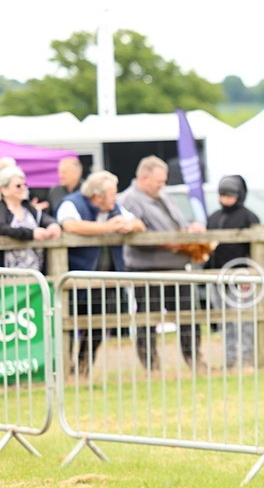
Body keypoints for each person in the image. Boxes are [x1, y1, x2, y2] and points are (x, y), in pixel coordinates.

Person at [118, 155, 209, 371]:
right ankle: (151, 364)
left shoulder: (164, 195)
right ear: (144, 177)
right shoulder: (130, 200)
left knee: (188, 315)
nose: (163, 184)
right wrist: (168, 243)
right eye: (159, 180)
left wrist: (189, 231)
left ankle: (194, 359)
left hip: (176, 265)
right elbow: (136, 236)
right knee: (148, 319)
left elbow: (178, 223)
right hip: (147, 267)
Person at [57, 170, 146, 375]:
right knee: (68, 324)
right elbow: (69, 225)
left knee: (98, 325)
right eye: (112, 194)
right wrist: (106, 227)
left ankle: (84, 366)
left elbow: (140, 224)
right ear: (98, 196)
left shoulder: (114, 208)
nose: (116, 198)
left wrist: (128, 225)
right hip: (75, 279)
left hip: (106, 279)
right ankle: (65, 368)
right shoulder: (72, 203)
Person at [205, 175, 260, 371]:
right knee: (224, 321)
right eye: (222, 195)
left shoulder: (249, 218)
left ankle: (247, 360)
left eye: (230, 195)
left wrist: (248, 274)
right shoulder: (214, 217)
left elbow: (255, 249)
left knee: (244, 321)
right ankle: (229, 361)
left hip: (240, 278)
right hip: (217, 277)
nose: (226, 199)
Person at [0, 165, 61, 270]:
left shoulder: (28, 207)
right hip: (9, 275)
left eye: (25, 184)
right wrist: (31, 233)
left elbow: (44, 218)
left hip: (36, 271)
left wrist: (53, 225)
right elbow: (3, 228)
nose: (23, 188)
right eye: (18, 186)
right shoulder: (2, 209)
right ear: (4, 190)